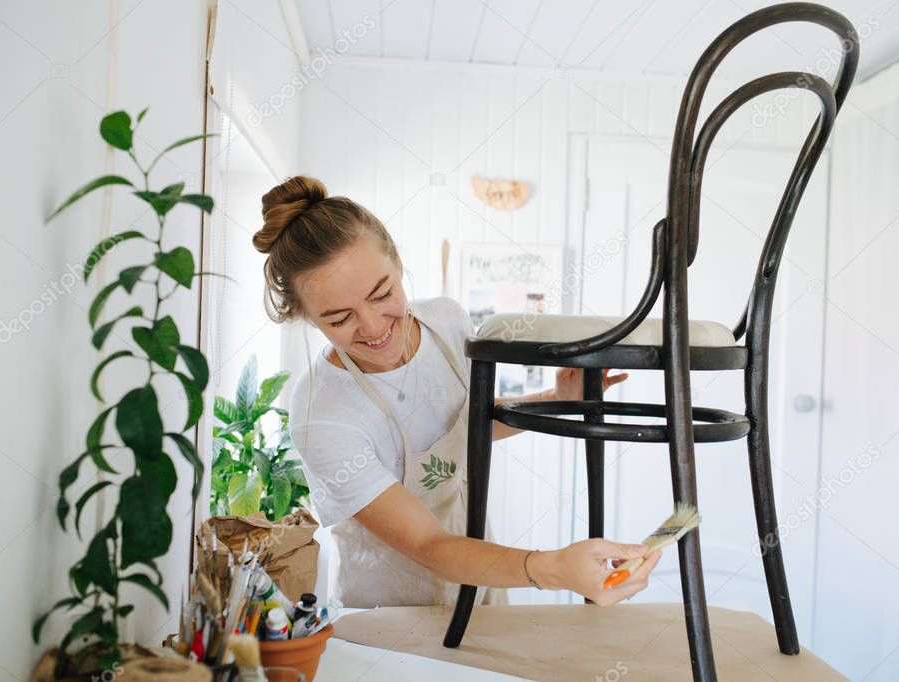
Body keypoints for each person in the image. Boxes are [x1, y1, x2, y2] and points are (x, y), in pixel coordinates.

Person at [252, 175, 662, 609]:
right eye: (339, 319)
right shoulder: (324, 412)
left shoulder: (447, 323)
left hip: (480, 574)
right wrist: (556, 568)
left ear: (398, 262)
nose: (373, 328)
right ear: (305, 316)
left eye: (382, 294)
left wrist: (554, 400)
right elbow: (430, 545)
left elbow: (468, 423)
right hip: (388, 612)